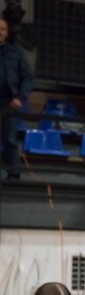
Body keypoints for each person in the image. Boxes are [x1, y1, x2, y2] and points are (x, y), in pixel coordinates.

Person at [0, 17, 33, 180]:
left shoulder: (15, 53)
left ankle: (14, 174)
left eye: (2, 29)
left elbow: (27, 78)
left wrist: (20, 97)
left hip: (9, 102)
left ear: (6, 33)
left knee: (9, 139)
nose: (0, 32)